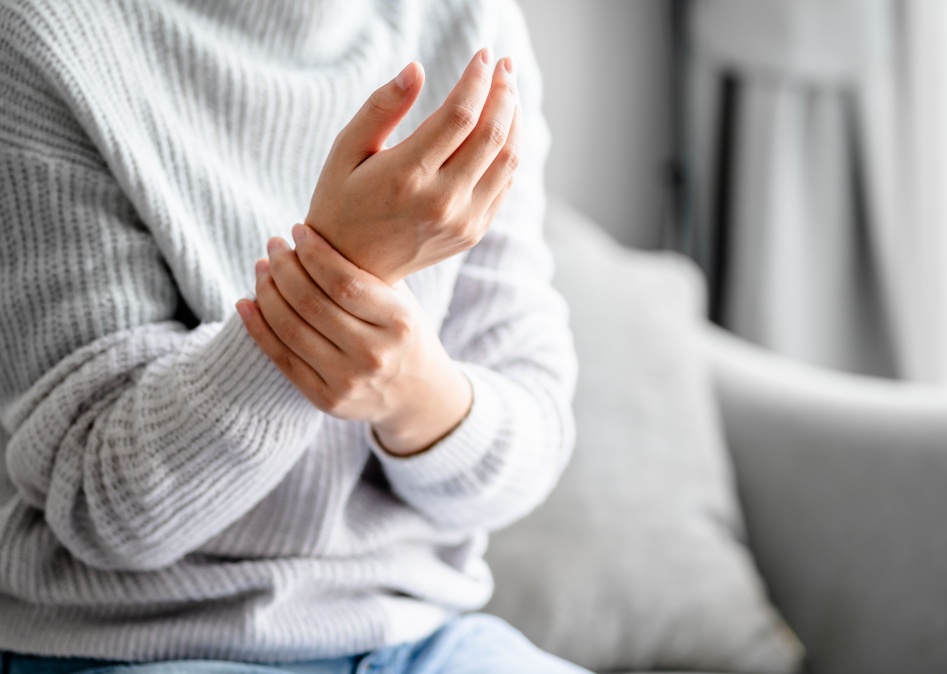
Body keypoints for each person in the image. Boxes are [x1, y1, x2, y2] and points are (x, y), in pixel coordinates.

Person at [0, 0, 584, 672]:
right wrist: (342, 267)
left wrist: (416, 392)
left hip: (419, 636)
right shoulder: (44, 31)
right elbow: (107, 507)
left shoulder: (471, 21)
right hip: (134, 639)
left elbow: (530, 441)